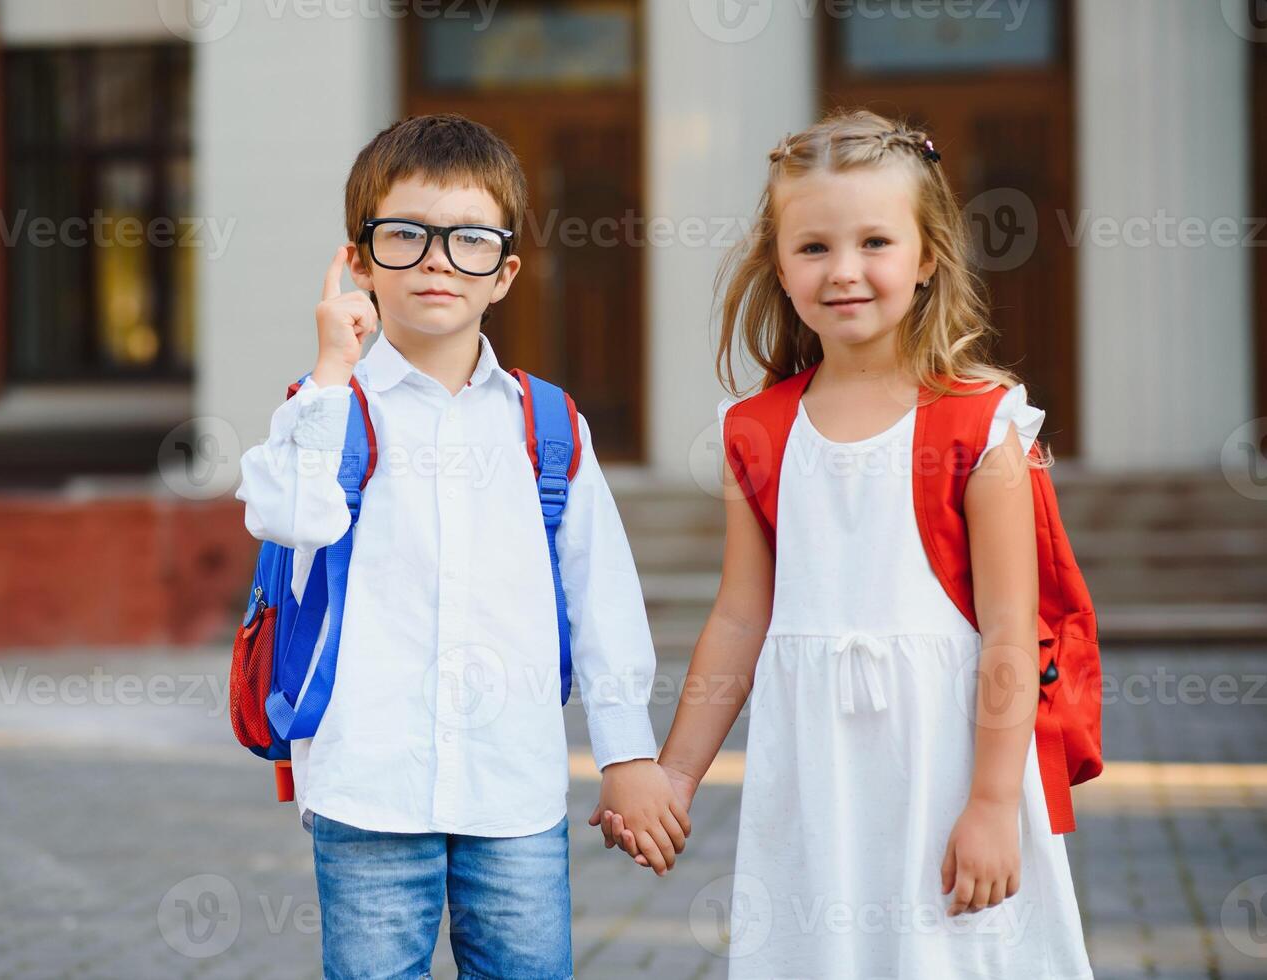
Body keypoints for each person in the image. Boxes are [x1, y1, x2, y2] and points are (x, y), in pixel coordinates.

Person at [600, 108, 1094, 977]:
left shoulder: (981, 426)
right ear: (778, 264)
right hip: (815, 772)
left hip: (946, 762)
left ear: (928, 256)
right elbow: (740, 617)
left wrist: (989, 805)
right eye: (815, 247)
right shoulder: (756, 432)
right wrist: (674, 777)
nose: (846, 271)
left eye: (875, 242)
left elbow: (1014, 633)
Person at [235, 113, 689, 980]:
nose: (438, 259)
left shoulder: (545, 424)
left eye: (469, 240)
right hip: (366, 788)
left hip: (511, 791)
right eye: (405, 235)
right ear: (359, 260)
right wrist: (332, 367)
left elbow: (602, 597)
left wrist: (627, 754)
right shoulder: (325, 408)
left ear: (505, 272)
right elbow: (290, 515)